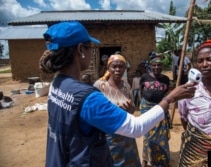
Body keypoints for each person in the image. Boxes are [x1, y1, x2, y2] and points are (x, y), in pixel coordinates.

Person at [39, 21, 196, 167]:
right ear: (80, 49)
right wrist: (171, 98)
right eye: (89, 47)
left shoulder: (57, 85)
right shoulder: (87, 97)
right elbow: (136, 127)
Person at [93, 54, 141, 167]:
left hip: (127, 134)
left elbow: (132, 108)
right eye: (114, 66)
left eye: (121, 66)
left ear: (125, 69)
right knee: (111, 162)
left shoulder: (126, 85)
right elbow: (94, 111)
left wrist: (130, 109)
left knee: (130, 162)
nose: (117, 69)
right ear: (108, 68)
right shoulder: (100, 86)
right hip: (108, 136)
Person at [140, 55, 171, 167]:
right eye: (154, 65)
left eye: (159, 65)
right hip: (147, 108)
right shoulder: (144, 77)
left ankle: (162, 160)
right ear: (151, 66)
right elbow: (141, 91)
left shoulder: (166, 79)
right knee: (147, 135)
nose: (157, 67)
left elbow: (167, 93)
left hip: (161, 108)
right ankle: (145, 159)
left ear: (162, 66)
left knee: (162, 136)